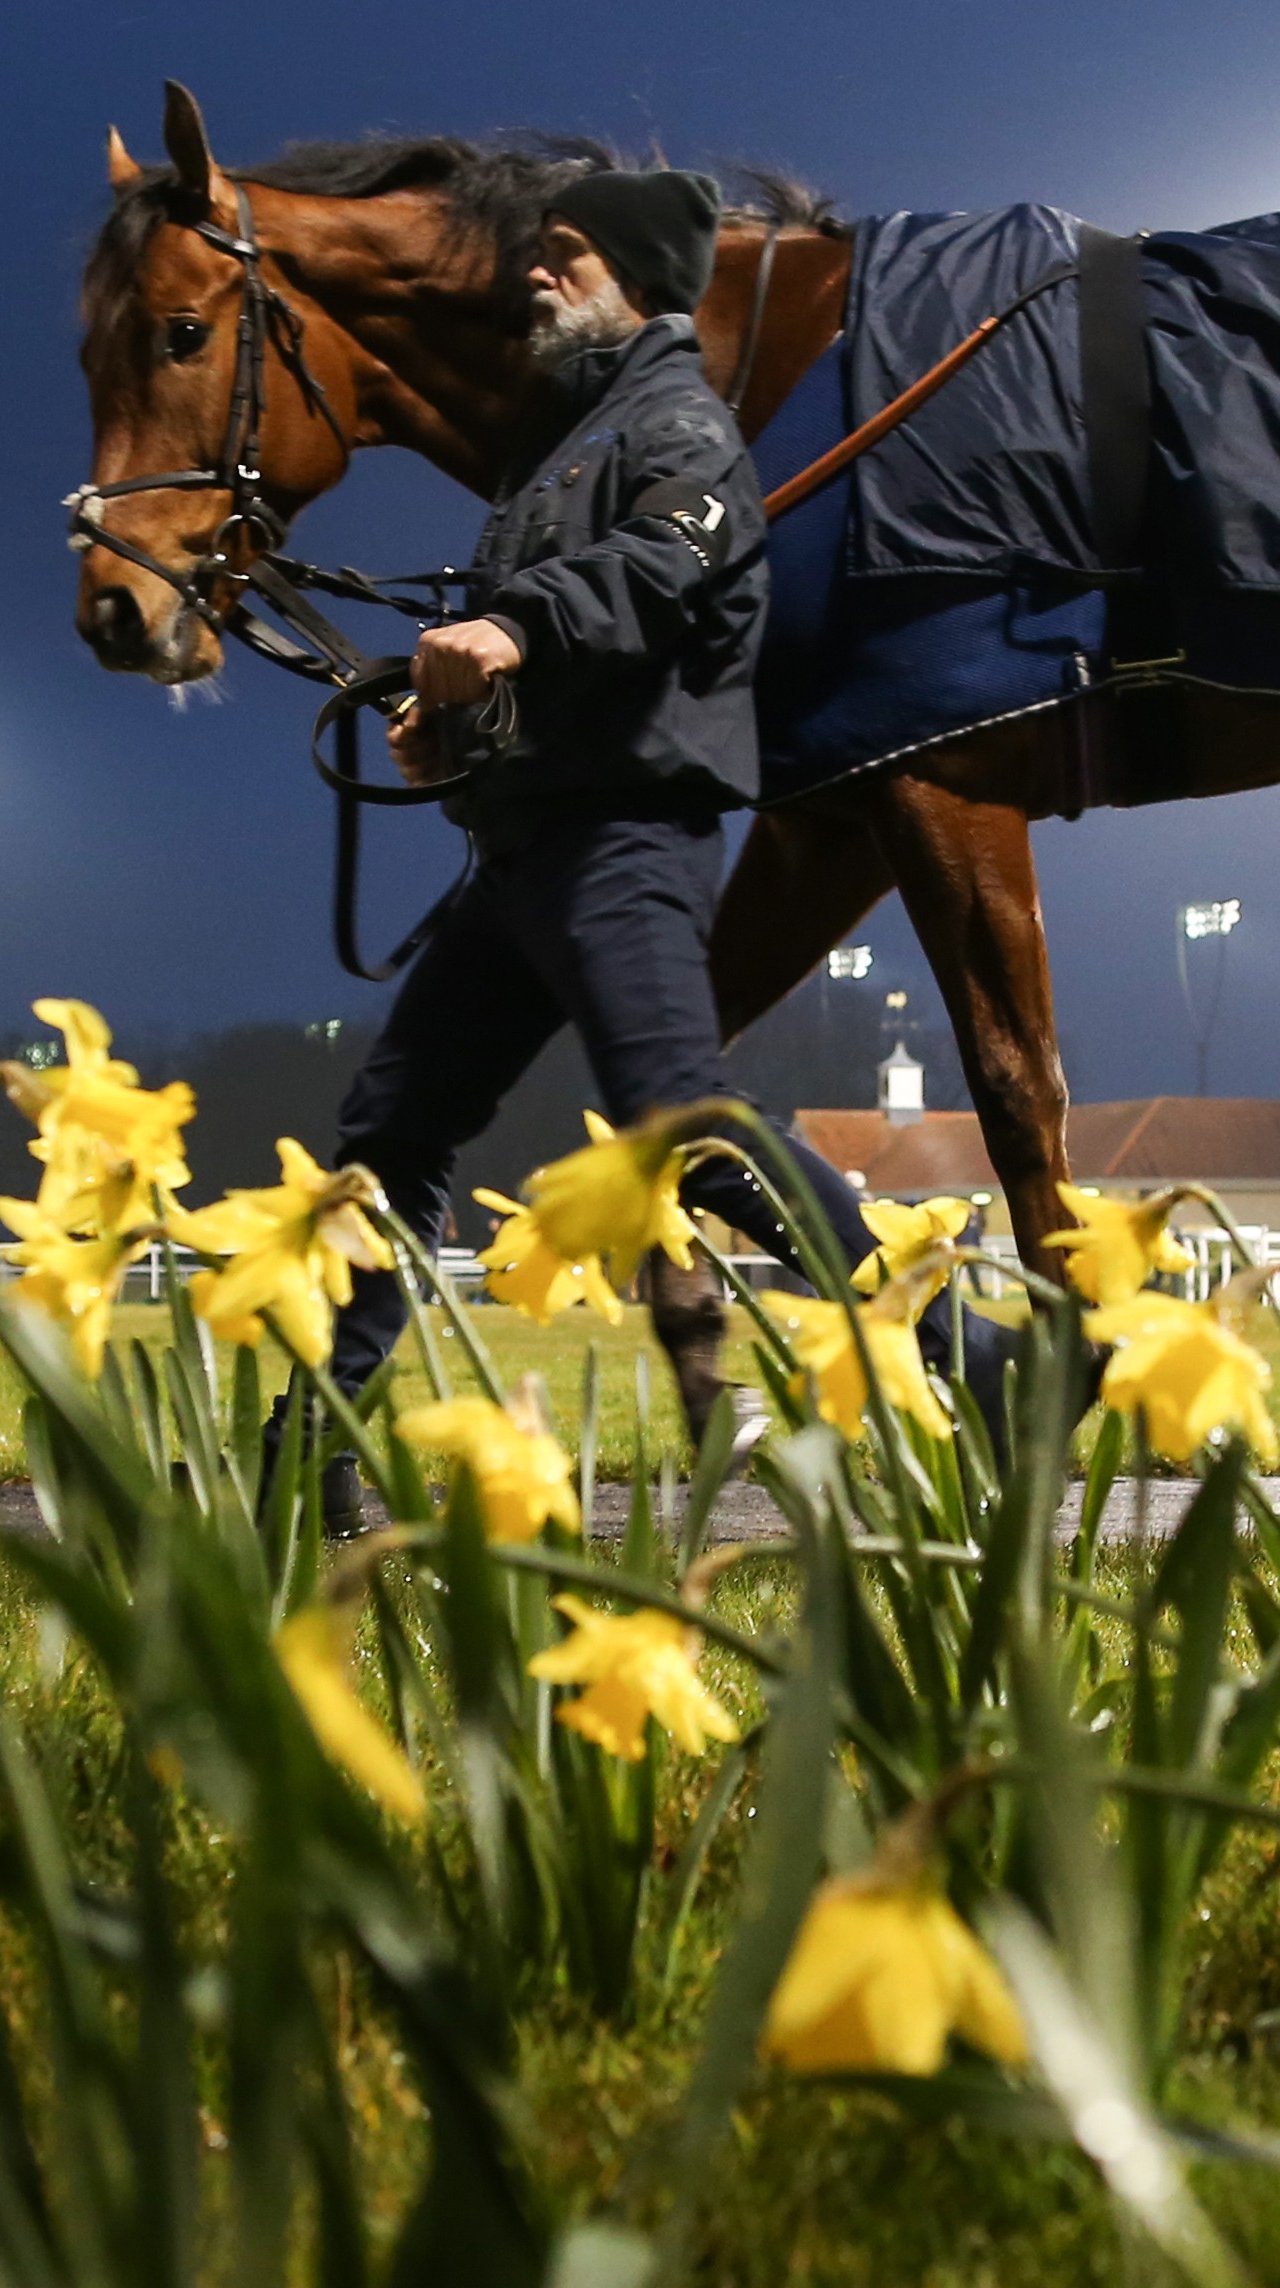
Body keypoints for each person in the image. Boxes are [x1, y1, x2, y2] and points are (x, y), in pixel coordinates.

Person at [314, 168, 990, 1503]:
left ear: (633, 278)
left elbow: (667, 566)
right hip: (524, 847)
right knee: (389, 1130)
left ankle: (991, 1365)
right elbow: (579, 651)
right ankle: (312, 1449)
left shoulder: (678, 425)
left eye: (566, 255)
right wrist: (455, 726)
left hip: (625, 839)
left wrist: (514, 626)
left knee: (682, 1125)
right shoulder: (563, 442)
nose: (538, 274)